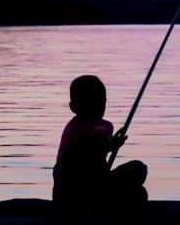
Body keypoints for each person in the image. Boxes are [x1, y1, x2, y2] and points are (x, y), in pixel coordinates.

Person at [52, 75, 148, 210]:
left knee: (137, 192)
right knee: (139, 172)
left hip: (62, 195)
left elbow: (89, 150)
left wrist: (111, 145)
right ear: (74, 106)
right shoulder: (99, 126)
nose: (99, 108)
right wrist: (109, 144)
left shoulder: (70, 128)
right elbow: (98, 136)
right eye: (96, 103)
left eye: (101, 103)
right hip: (88, 194)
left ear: (72, 106)